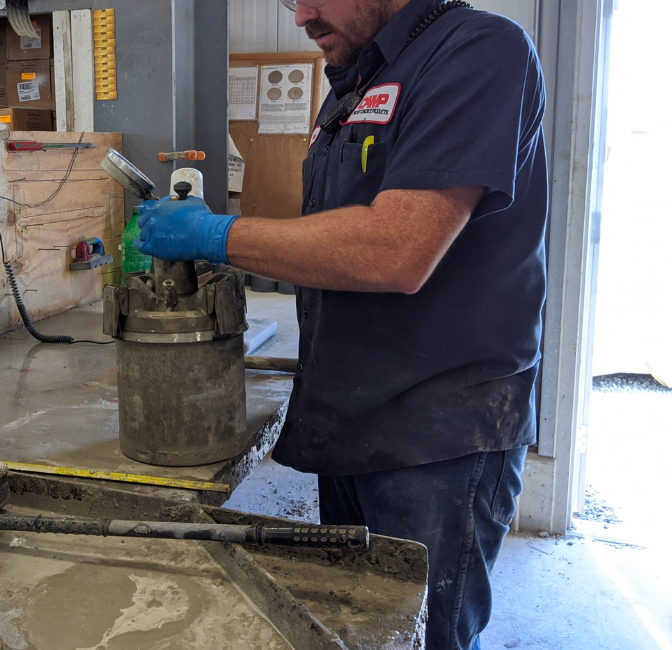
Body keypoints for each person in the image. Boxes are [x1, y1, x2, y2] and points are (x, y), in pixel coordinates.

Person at [134, 0, 548, 648]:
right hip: (356, 418)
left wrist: (218, 235)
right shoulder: (356, 79)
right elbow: (338, 234)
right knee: (352, 626)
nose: (300, 16)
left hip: (439, 437)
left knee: (421, 635)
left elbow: (396, 249)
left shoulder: (479, 52)